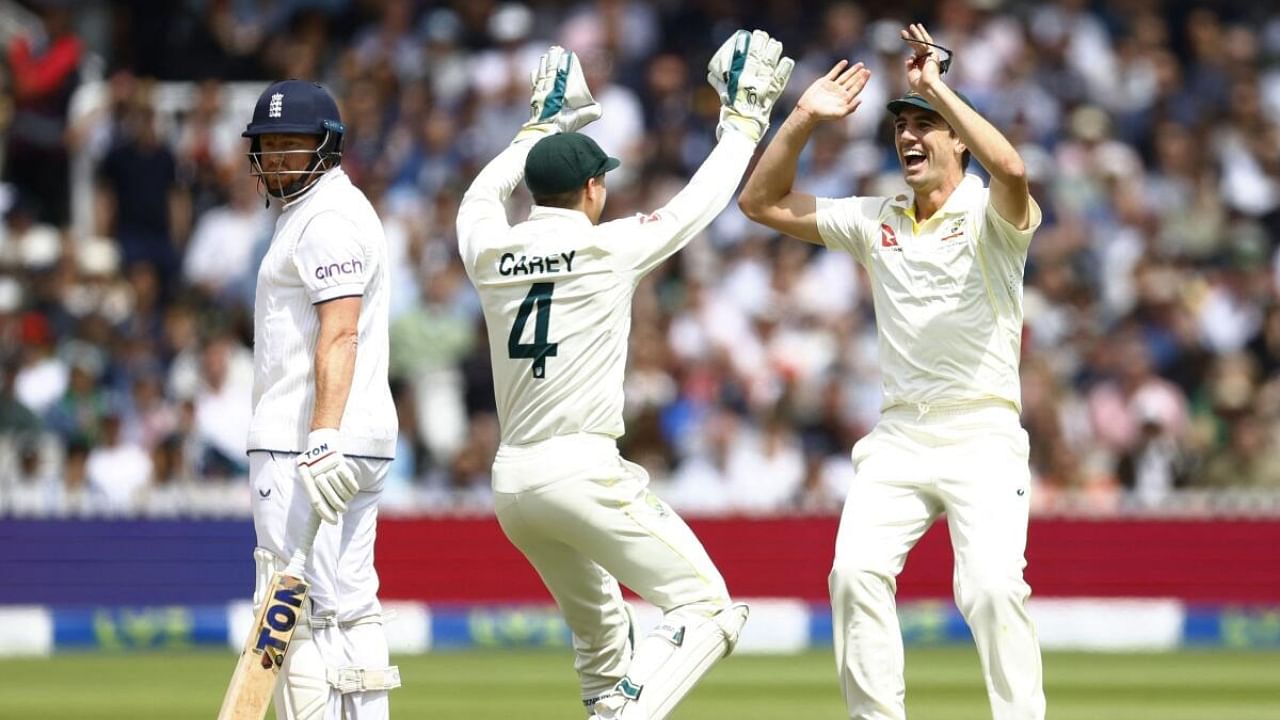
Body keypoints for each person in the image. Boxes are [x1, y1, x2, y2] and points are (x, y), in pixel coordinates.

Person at [456, 35, 792, 720]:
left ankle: (611, 703)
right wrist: (744, 123)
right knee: (707, 608)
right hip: (582, 471)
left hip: (513, 482)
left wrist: (540, 127)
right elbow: (701, 202)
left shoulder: (486, 249)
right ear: (590, 189)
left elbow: (479, 193)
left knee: (606, 646)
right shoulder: (606, 247)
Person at [739, 23, 1046, 720]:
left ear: (959, 139)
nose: (908, 136)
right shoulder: (876, 218)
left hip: (982, 431)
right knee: (853, 575)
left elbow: (1017, 172)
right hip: (899, 436)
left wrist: (936, 85)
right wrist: (804, 118)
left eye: (925, 126)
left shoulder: (991, 215)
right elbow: (760, 204)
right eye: (901, 125)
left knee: (993, 589)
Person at [240, 79, 400, 719]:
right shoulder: (329, 210)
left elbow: (340, 330)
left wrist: (323, 433)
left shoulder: (325, 218)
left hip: (304, 441)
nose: (278, 157)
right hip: (353, 442)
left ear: (326, 148)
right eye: (269, 145)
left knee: (291, 610)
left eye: (292, 144)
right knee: (351, 606)